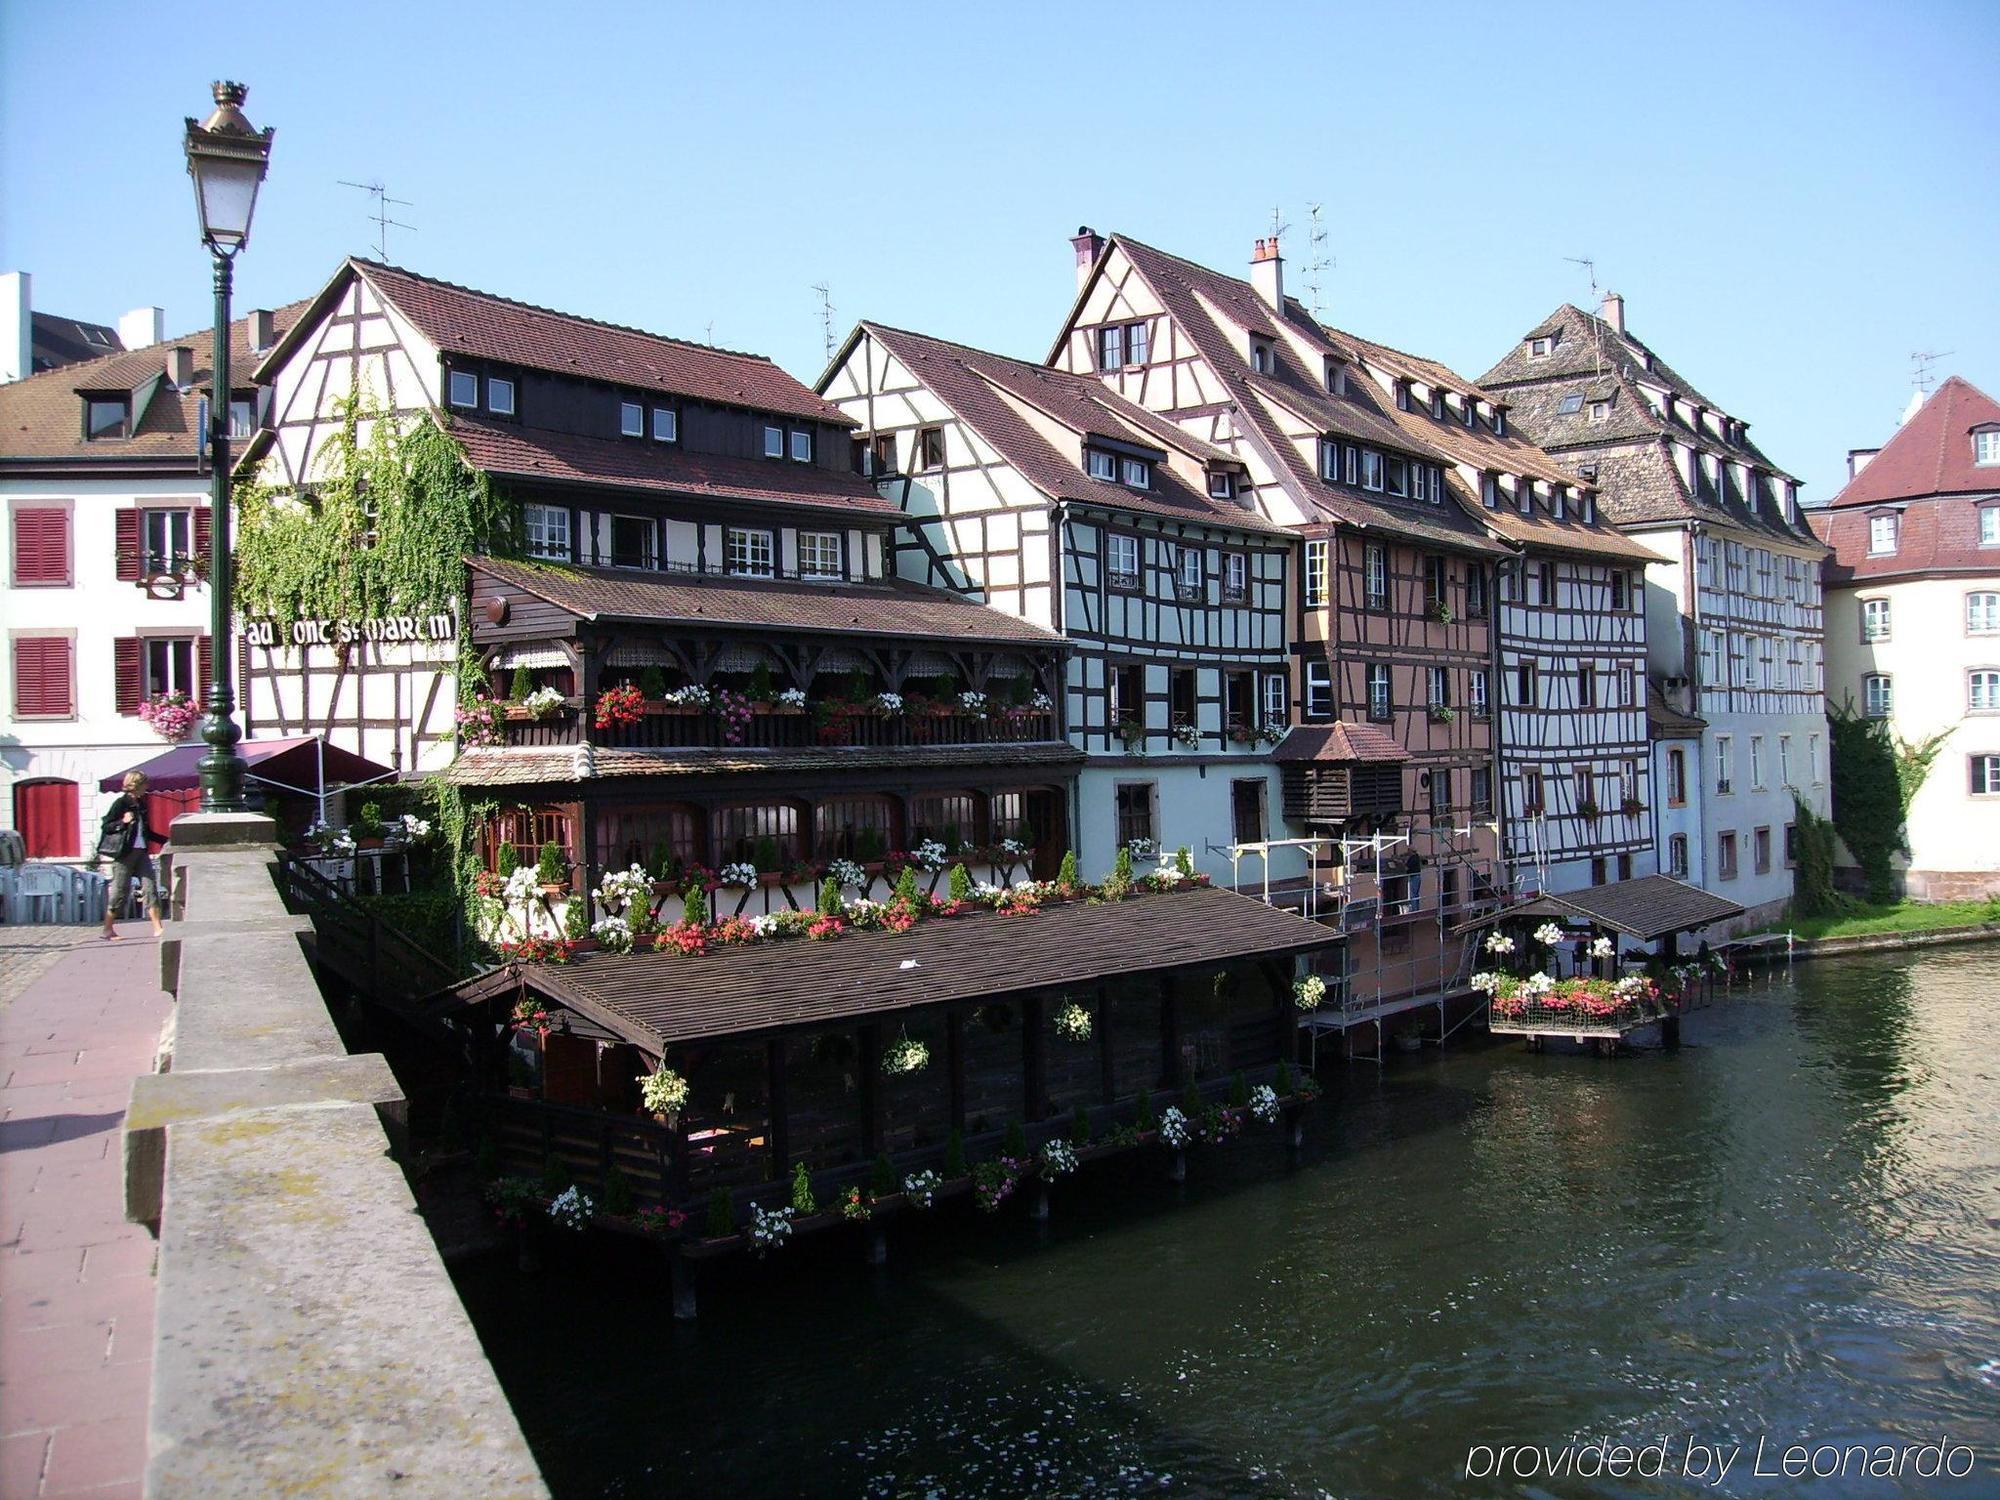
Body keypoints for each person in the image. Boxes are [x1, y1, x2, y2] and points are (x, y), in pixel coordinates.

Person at [99, 772, 168, 940]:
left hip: (141, 852)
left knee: (150, 887)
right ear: (136, 784)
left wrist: (166, 840)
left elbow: (146, 831)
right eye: (145, 784)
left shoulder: (141, 804)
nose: (147, 787)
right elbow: (106, 825)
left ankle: (158, 927)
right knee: (120, 891)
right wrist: (122, 822)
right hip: (125, 854)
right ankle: (108, 929)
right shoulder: (121, 803)